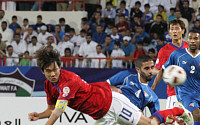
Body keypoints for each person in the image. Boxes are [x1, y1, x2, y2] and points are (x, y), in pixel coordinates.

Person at [28, 46, 193, 125]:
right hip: (101, 115)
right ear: (43, 72)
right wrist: (39, 115)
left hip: (111, 103)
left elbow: (59, 110)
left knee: (150, 124)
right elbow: (51, 110)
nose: (53, 73)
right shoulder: (49, 85)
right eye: (49, 71)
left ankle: (179, 111)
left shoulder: (67, 80)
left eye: (55, 69)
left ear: (59, 67)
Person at [158, 29, 200, 125]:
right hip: (186, 95)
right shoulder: (177, 55)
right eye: (190, 38)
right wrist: (153, 86)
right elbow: (163, 69)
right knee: (197, 114)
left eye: (196, 38)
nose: (193, 40)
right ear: (187, 40)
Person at [151, 19, 188, 110]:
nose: (174, 31)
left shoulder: (189, 47)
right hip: (174, 94)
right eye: (172, 29)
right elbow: (155, 70)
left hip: (190, 93)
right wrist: (169, 72)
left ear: (183, 31)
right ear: (169, 32)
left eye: (177, 28)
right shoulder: (164, 50)